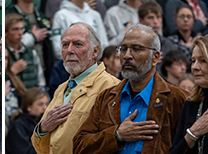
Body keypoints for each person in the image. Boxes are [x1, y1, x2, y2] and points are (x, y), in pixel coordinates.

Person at [73, 24, 188, 154]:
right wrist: (116, 135)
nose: (127, 55)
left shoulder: (177, 99)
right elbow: (79, 146)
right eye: (123, 49)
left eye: (136, 49)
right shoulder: (106, 97)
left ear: (155, 57)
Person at [32, 23, 120, 154]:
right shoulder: (61, 88)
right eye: (65, 45)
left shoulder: (112, 87)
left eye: (78, 44)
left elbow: (113, 142)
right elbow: (40, 145)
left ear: (95, 51)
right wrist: (43, 128)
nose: (69, 50)